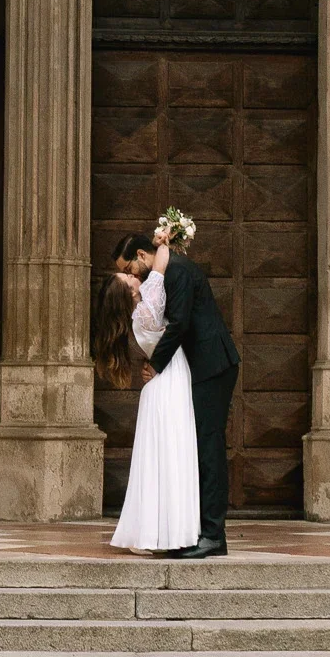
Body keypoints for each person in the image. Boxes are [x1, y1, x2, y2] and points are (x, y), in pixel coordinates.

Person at [113, 227, 239, 558]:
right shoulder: (166, 270)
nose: (130, 277)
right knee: (198, 448)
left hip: (213, 366)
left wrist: (155, 365)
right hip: (200, 368)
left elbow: (180, 322)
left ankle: (213, 536)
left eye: (128, 270)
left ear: (141, 256)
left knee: (208, 448)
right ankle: (196, 529)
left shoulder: (178, 271)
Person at [94, 240, 199, 554]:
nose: (134, 277)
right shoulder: (144, 313)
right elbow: (160, 269)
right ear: (128, 293)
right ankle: (167, 532)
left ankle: (161, 529)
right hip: (169, 381)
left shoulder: (138, 318)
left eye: (130, 274)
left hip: (164, 380)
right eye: (129, 279)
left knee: (164, 454)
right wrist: (164, 242)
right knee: (170, 452)